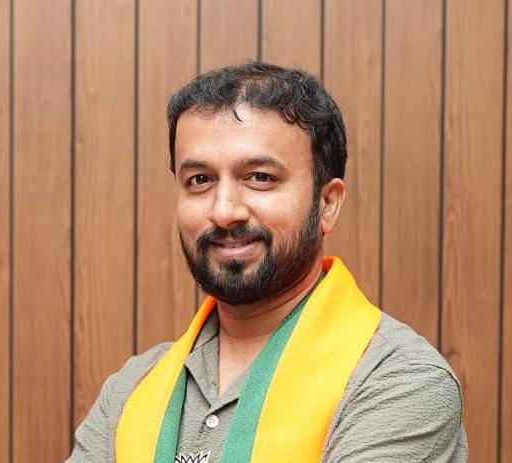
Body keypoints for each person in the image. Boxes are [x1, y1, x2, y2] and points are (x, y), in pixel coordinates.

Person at [67, 61, 468, 463]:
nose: (225, 211)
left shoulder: (397, 379)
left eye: (259, 177)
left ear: (327, 203)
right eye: (200, 180)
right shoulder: (130, 390)